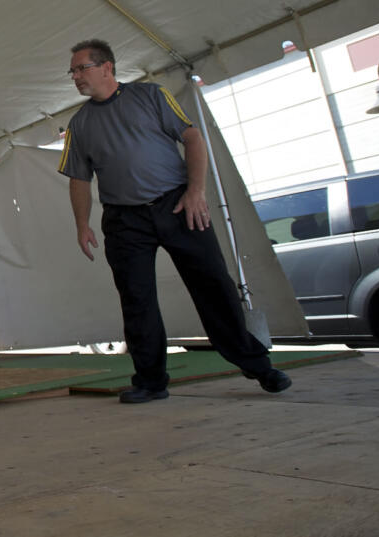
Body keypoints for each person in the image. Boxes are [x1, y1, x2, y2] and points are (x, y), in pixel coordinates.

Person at [58, 38, 291, 403]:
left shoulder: (151, 97)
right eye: (72, 71)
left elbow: (193, 138)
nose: (75, 77)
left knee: (214, 286)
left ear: (106, 67)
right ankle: (150, 381)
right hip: (123, 220)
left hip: (178, 205)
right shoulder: (79, 124)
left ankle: (259, 367)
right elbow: (78, 178)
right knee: (137, 299)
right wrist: (82, 224)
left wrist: (196, 191)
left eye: (80, 68)